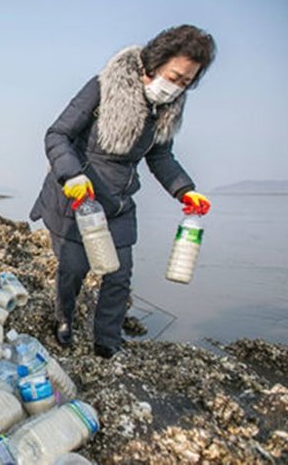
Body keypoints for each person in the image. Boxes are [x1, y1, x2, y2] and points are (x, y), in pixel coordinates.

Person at [29, 24, 216, 357]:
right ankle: (64, 320)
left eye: (185, 83)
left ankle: (107, 343)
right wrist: (71, 175)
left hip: (117, 203)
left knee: (118, 277)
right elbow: (57, 135)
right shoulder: (103, 87)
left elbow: (160, 155)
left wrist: (184, 190)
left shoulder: (165, 110)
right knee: (73, 270)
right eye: (173, 77)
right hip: (76, 195)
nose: (175, 89)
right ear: (154, 63)